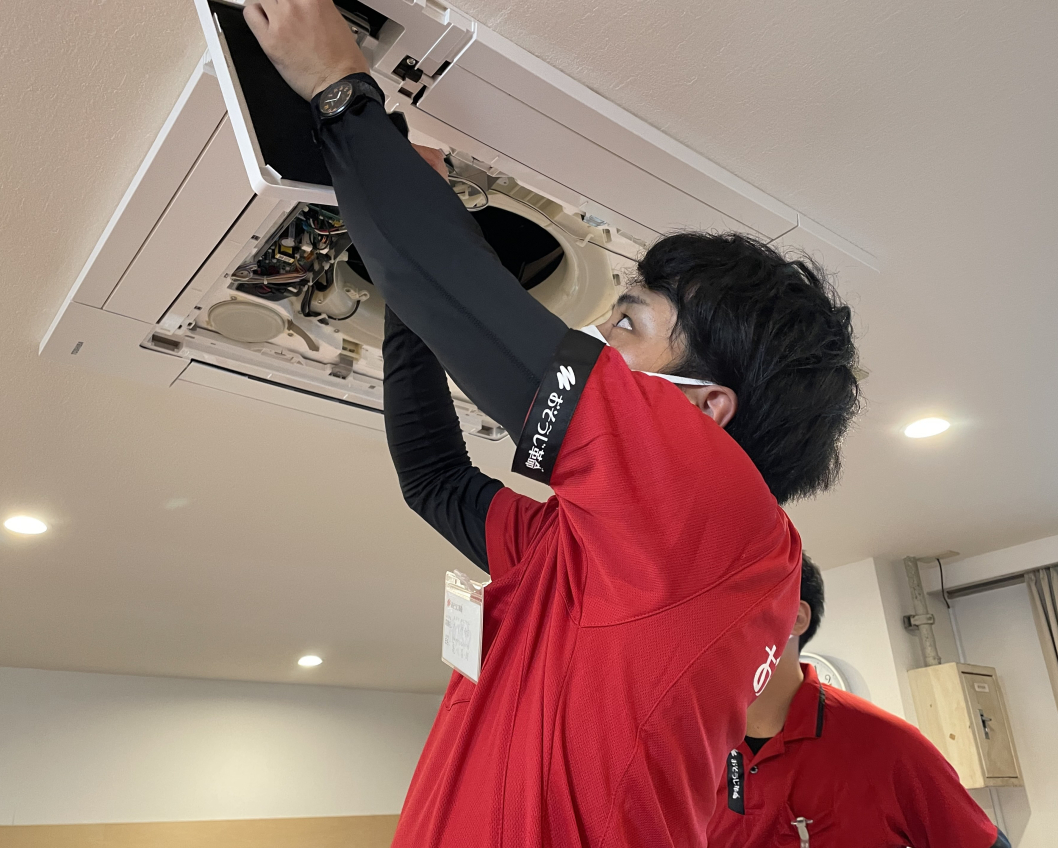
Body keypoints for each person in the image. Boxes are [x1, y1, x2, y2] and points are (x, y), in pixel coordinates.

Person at [243, 2, 860, 845]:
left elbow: (458, 298)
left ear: (702, 408)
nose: (594, 336)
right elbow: (433, 478)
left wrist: (340, 91)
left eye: (628, 322)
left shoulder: (720, 527)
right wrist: (408, 299)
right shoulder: (620, 562)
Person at [708, 555, 1011, 848]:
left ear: (794, 619)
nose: (707, 636)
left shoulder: (887, 745)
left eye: (731, 609)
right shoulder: (695, 752)